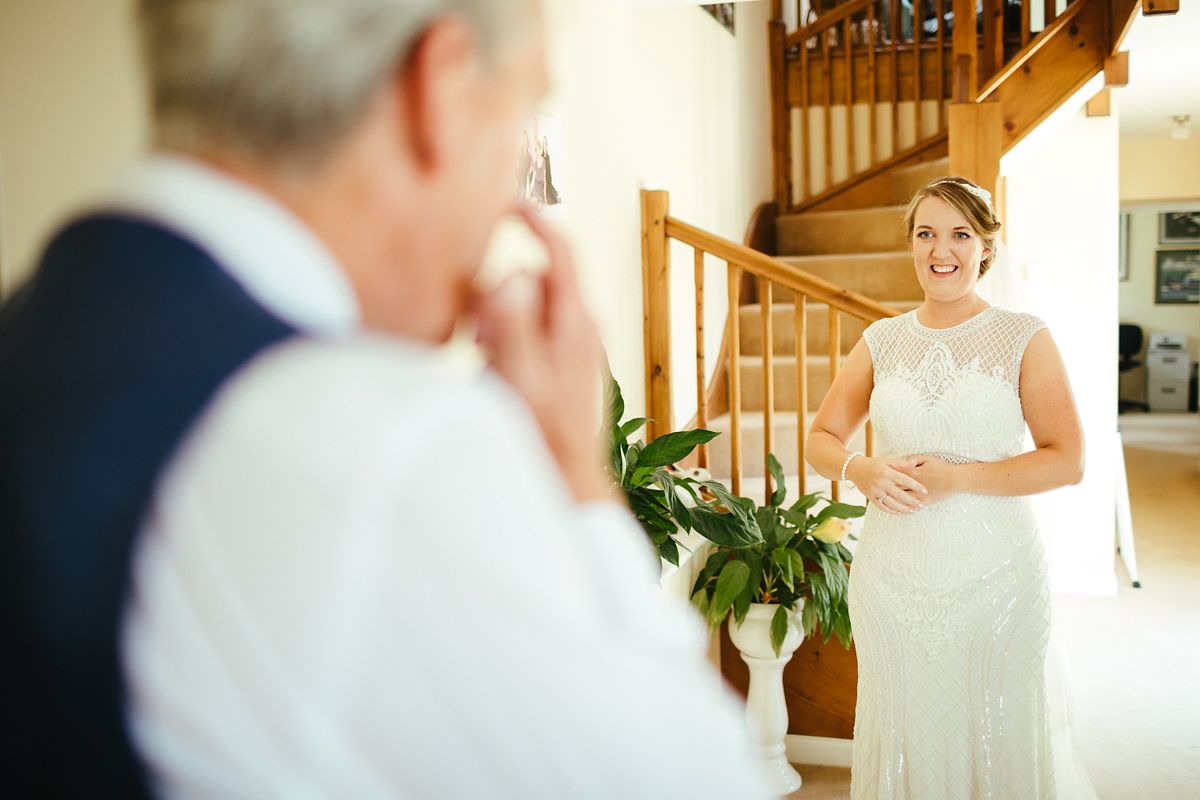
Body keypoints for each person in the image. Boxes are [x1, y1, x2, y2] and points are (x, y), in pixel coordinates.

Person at [0, 1, 768, 797]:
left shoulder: (34, 329)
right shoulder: (378, 450)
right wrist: (576, 468)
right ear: (440, 86)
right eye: (523, 109)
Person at [806, 176, 1098, 798]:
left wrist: (955, 478)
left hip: (998, 576)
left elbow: (1067, 460)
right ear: (911, 246)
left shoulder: (1024, 335)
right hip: (891, 577)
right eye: (926, 234)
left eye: (960, 234)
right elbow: (822, 439)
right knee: (904, 725)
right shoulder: (881, 341)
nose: (943, 250)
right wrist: (861, 468)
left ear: (985, 247)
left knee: (999, 726)